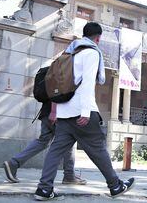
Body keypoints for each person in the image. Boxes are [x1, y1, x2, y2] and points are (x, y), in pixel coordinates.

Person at [34, 22, 135, 200]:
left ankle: (44, 189)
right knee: (98, 149)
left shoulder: (69, 52)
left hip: (64, 112)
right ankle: (115, 185)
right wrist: (86, 113)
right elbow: (88, 83)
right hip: (81, 111)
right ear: (98, 38)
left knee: (55, 151)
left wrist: (57, 111)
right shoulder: (92, 53)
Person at [3, 101, 86, 185]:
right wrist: (54, 111)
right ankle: (69, 176)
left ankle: (13, 163)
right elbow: (58, 92)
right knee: (68, 142)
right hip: (59, 114)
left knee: (43, 141)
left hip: (47, 112)